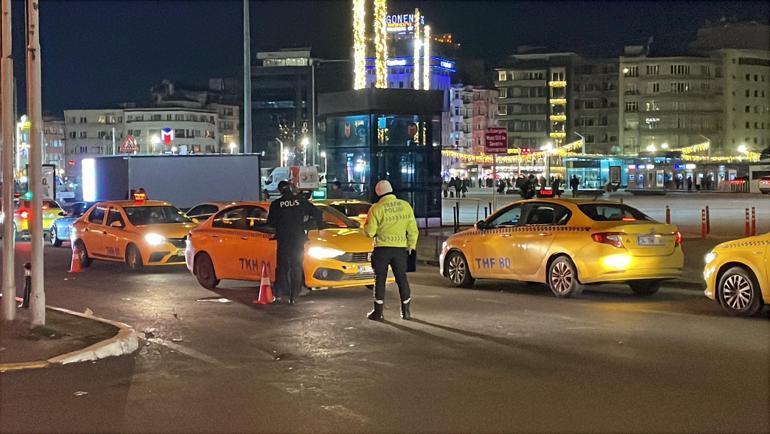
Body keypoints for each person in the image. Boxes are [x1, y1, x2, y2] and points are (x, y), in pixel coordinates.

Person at [364, 180, 418, 321]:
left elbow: (370, 232)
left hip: (381, 249)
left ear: (378, 192)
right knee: (401, 279)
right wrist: (411, 246)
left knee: (380, 280)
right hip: (400, 249)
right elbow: (413, 230)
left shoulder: (376, 208)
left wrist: (365, 227)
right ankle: (406, 312)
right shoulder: (405, 206)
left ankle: (378, 313)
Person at [267, 181, 322, 305]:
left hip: (283, 240)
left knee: (283, 267)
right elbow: (317, 213)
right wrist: (315, 225)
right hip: (298, 239)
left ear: (280, 191)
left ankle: (281, 293)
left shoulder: (276, 204)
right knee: (296, 266)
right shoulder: (300, 201)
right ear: (291, 189)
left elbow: (270, 223)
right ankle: (294, 295)